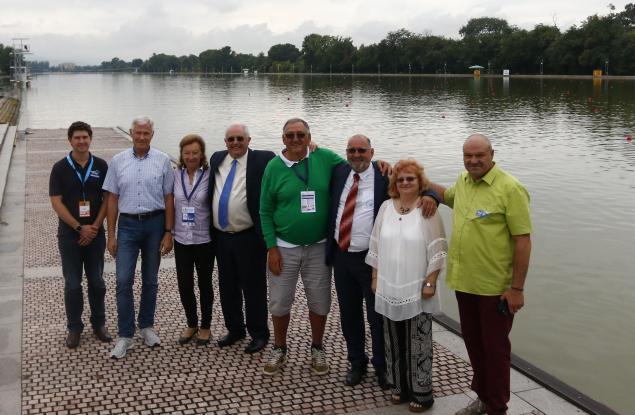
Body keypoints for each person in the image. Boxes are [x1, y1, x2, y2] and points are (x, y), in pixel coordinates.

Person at [430, 134, 532, 415]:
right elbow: (445, 196)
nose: (473, 161)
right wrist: (409, 174)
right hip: (465, 284)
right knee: (475, 347)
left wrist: (517, 289)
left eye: (479, 156)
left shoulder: (510, 188)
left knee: (496, 352)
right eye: (468, 156)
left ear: (492, 154)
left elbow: (523, 240)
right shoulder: (464, 181)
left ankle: (498, 408)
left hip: (495, 289)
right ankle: (484, 399)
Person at [259, 117, 349, 376]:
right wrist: (271, 247)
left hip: (319, 247)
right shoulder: (274, 167)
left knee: (320, 301)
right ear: (283, 138)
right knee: (279, 302)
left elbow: (357, 169)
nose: (296, 139)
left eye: (301, 135)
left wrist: (383, 167)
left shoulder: (325, 158)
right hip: (284, 247)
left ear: (309, 137)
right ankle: (279, 347)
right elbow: (265, 210)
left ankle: (318, 347)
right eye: (290, 135)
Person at [366, 159, 447, 413]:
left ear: (419, 182)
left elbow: (438, 248)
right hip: (390, 285)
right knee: (392, 337)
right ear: (394, 184)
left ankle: (422, 393)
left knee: (418, 340)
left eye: (410, 179)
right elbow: (376, 245)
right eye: (400, 179)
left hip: (417, 286)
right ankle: (398, 386)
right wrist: (375, 278)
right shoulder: (386, 207)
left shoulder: (427, 209)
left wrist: (430, 281)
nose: (404, 183)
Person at [103, 116, 175, 359]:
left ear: (152, 135)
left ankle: (146, 326)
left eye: (146, 133)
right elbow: (112, 199)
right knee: (123, 280)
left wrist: (168, 231)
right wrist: (110, 235)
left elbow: (168, 198)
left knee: (150, 280)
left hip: (155, 224)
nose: (142, 137)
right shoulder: (118, 161)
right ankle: (125, 335)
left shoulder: (163, 160)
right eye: (138, 133)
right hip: (128, 226)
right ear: (132, 134)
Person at [208, 124, 274, 354]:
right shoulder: (217, 158)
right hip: (221, 237)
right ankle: (235, 329)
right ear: (225, 142)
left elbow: (293, 155)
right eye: (230, 139)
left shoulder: (263, 159)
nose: (235, 142)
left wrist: (311, 148)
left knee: (253, 286)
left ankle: (259, 333)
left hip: (249, 237)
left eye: (240, 138)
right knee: (227, 286)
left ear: (248, 140)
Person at [49, 121, 112, 348]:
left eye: (85, 137)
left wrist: (94, 226)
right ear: (70, 140)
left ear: (90, 138)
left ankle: (99, 324)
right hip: (69, 236)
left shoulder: (102, 166)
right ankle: (74, 328)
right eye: (77, 138)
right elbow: (56, 202)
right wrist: (79, 227)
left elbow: (108, 199)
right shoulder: (60, 168)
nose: (81, 141)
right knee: (73, 284)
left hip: (95, 235)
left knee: (97, 282)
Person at [173, 134, 214, 345]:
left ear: (202, 154)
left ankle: (206, 325)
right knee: (184, 285)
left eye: (195, 152)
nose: (191, 156)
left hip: (204, 240)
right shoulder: (174, 174)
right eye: (186, 153)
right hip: (181, 239)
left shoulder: (210, 174)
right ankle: (191, 323)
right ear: (181, 154)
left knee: (205, 284)